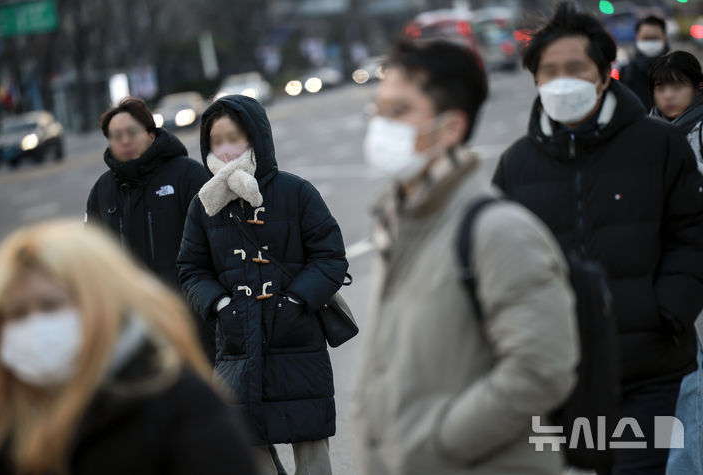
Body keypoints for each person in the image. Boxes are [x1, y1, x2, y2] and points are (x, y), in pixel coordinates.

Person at [351, 39, 579, 475]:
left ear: (451, 128)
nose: (381, 125)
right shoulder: (401, 222)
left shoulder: (498, 231)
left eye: (399, 112)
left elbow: (541, 370)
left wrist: (436, 442)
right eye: (378, 110)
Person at [493, 3, 703, 474]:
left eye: (576, 68)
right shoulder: (516, 164)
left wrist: (668, 309)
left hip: (648, 366)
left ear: (604, 75)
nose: (562, 80)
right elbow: (499, 261)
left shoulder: (658, 144)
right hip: (558, 373)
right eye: (549, 71)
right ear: (535, 80)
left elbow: (691, 233)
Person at [0, 220, 257, 475]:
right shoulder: (2, 423)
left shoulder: (176, 404)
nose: (35, 327)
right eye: (17, 314)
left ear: (100, 303)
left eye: (51, 305)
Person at [177, 94, 349, 475]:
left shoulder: (295, 191)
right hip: (236, 345)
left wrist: (295, 302)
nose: (224, 149)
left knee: (310, 440)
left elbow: (330, 256)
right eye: (216, 141)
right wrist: (220, 305)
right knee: (245, 442)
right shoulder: (204, 205)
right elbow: (191, 269)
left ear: (256, 137)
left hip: (296, 340)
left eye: (233, 138)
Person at [85, 97, 214, 361]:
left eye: (131, 132)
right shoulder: (102, 191)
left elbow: (218, 239)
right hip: (131, 327)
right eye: (115, 135)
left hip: (191, 319)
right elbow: (91, 258)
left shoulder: (187, 175)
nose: (124, 140)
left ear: (151, 134)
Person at [649, 50, 703, 475]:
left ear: (697, 87)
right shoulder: (649, 135)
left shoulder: (699, 132)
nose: (669, 95)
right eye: (661, 86)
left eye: (677, 85)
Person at [620, 15, 669, 111]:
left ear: (664, 38)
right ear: (637, 38)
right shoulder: (627, 72)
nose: (650, 43)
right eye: (646, 38)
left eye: (655, 38)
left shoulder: (679, 70)